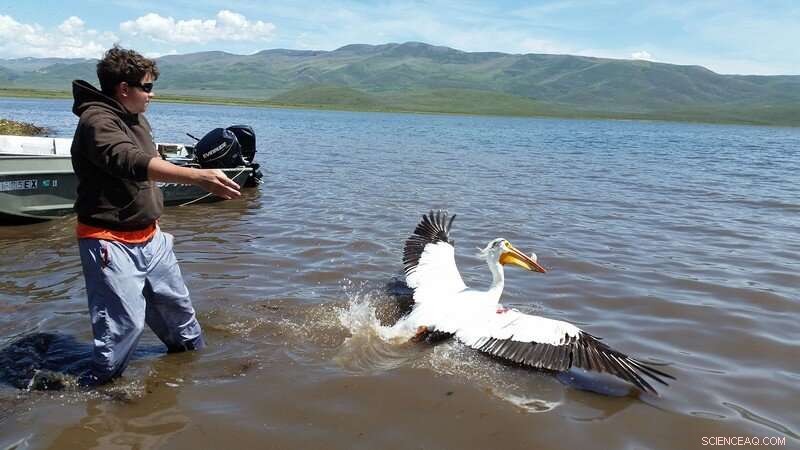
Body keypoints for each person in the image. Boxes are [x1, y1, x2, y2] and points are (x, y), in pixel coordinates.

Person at [70, 45, 241, 386]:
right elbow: (127, 160)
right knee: (124, 327)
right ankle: (100, 393)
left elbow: (141, 169)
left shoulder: (136, 119)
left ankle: (194, 376)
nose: (152, 94)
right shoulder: (96, 121)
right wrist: (199, 177)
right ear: (124, 89)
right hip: (110, 243)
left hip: (151, 238)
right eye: (146, 87)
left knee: (181, 317)